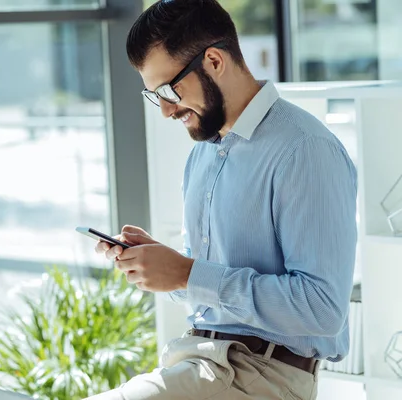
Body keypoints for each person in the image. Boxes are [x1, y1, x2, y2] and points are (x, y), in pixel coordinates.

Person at [87, 0, 358, 399]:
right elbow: (206, 285)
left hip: (266, 375)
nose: (164, 110)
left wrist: (187, 274)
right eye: (153, 96)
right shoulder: (203, 154)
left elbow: (322, 308)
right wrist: (164, 266)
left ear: (214, 60)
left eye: (168, 90)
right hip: (199, 361)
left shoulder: (305, 149)